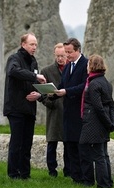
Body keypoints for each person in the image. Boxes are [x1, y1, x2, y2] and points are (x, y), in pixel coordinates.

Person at [3, 32, 46, 180]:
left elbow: (31, 83)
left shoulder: (34, 62)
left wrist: (38, 93)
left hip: (29, 108)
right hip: (15, 108)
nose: (34, 47)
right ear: (23, 44)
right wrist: (35, 76)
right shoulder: (14, 59)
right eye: (32, 44)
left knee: (27, 143)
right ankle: (13, 174)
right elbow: (13, 72)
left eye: (36, 45)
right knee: (17, 143)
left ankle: (25, 175)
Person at [53, 38, 88, 184]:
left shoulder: (86, 65)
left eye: (70, 52)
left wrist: (66, 91)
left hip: (79, 113)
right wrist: (50, 92)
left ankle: (85, 177)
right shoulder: (68, 67)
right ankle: (75, 177)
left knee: (81, 148)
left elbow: (83, 87)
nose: (67, 55)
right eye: (66, 52)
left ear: (78, 50)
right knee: (70, 146)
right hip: (68, 113)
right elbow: (62, 85)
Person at [79, 54, 114, 188]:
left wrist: (108, 123)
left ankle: (103, 184)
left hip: (94, 123)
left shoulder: (94, 84)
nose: (86, 67)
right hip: (102, 123)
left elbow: (98, 107)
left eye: (88, 64)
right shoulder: (106, 82)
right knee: (103, 154)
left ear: (92, 66)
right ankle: (107, 182)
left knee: (98, 155)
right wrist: (112, 122)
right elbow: (112, 105)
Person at [40, 43, 71, 177]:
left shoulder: (72, 69)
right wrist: (50, 102)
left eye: (62, 56)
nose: (60, 59)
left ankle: (68, 170)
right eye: (57, 56)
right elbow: (42, 93)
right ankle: (52, 170)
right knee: (52, 142)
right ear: (54, 55)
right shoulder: (46, 71)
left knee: (68, 143)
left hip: (69, 111)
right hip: (54, 111)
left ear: (67, 55)